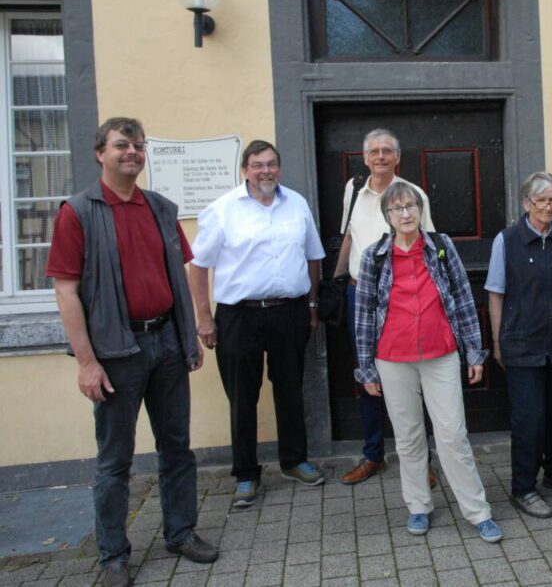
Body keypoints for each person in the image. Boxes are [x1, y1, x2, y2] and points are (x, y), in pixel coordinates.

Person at [47, 117, 218, 587]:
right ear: (99, 152)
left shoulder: (161, 208)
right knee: (114, 461)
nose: (133, 152)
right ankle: (113, 557)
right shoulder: (78, 212)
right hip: (116, 353)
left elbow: (182, 277)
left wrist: (187, 337)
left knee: (177, 449)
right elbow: (67, 292)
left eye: (139, 146)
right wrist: (86, 361)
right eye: (123, 145)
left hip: (165, 342)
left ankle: (181, 532)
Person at [354, 182, 503, 542]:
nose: (405, 214)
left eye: (411, 206)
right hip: (392, 357)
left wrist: (474, 350)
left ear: (420, 210)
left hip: (440, 353)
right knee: (408, 437)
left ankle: (478, 511)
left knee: (453, 435)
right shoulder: (375, 256)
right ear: (387, 216)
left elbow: (464, 298)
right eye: (397, 209)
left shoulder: (440, 246)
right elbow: (363, 313)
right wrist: (365, 367)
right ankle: (419, 506)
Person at [189, 140, 326, 508]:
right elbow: (198, 266)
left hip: (290, 311)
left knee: (290, 389)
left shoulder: (295, 204)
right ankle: (246, 475)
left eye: (271, 164)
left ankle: (294, 461)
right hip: (239, 316)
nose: (265, 171)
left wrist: (311, 304)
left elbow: (313, 257)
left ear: (279, 168)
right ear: (245, 170)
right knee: (242, 397)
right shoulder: (223, 210)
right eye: (257, 165)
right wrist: (204, 317)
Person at [334, 128, 436, 486]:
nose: (380, 157)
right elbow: (349, 236)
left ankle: (422, 460)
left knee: (413, 375)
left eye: (387, 151)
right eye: (374, 151)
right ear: (365, 158)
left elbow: (428, 245)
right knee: (367, 375)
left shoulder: (412, 194)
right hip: (359, 295)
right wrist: (337, 281)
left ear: (397, 157)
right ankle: (373, 455)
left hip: (401, 298)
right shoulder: (353, 189)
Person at [485, 172, 552, 518]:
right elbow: (495, 293)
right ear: (526, 202)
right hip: (521, 344)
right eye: (540, 199)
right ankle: (523, 487)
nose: (547, 206)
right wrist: (498, 341)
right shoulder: (507, 240)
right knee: (529, 418)